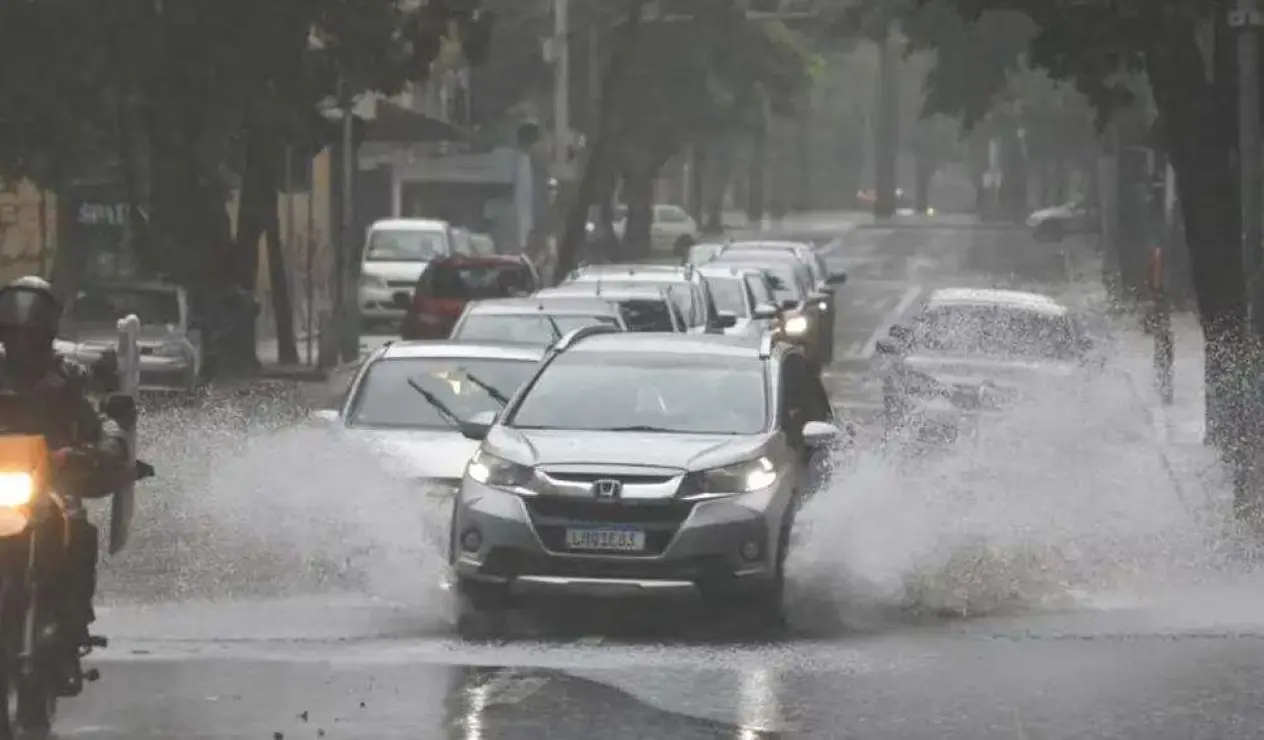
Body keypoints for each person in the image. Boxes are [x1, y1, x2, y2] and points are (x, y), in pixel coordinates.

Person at [0, 276, 132, 697]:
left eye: (30, 327)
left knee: (75, 527)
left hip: (48, 485)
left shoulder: (66, 376)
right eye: (14, 327)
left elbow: (99, 421)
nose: (22, 335)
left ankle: (71, 627)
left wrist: (101, 447)